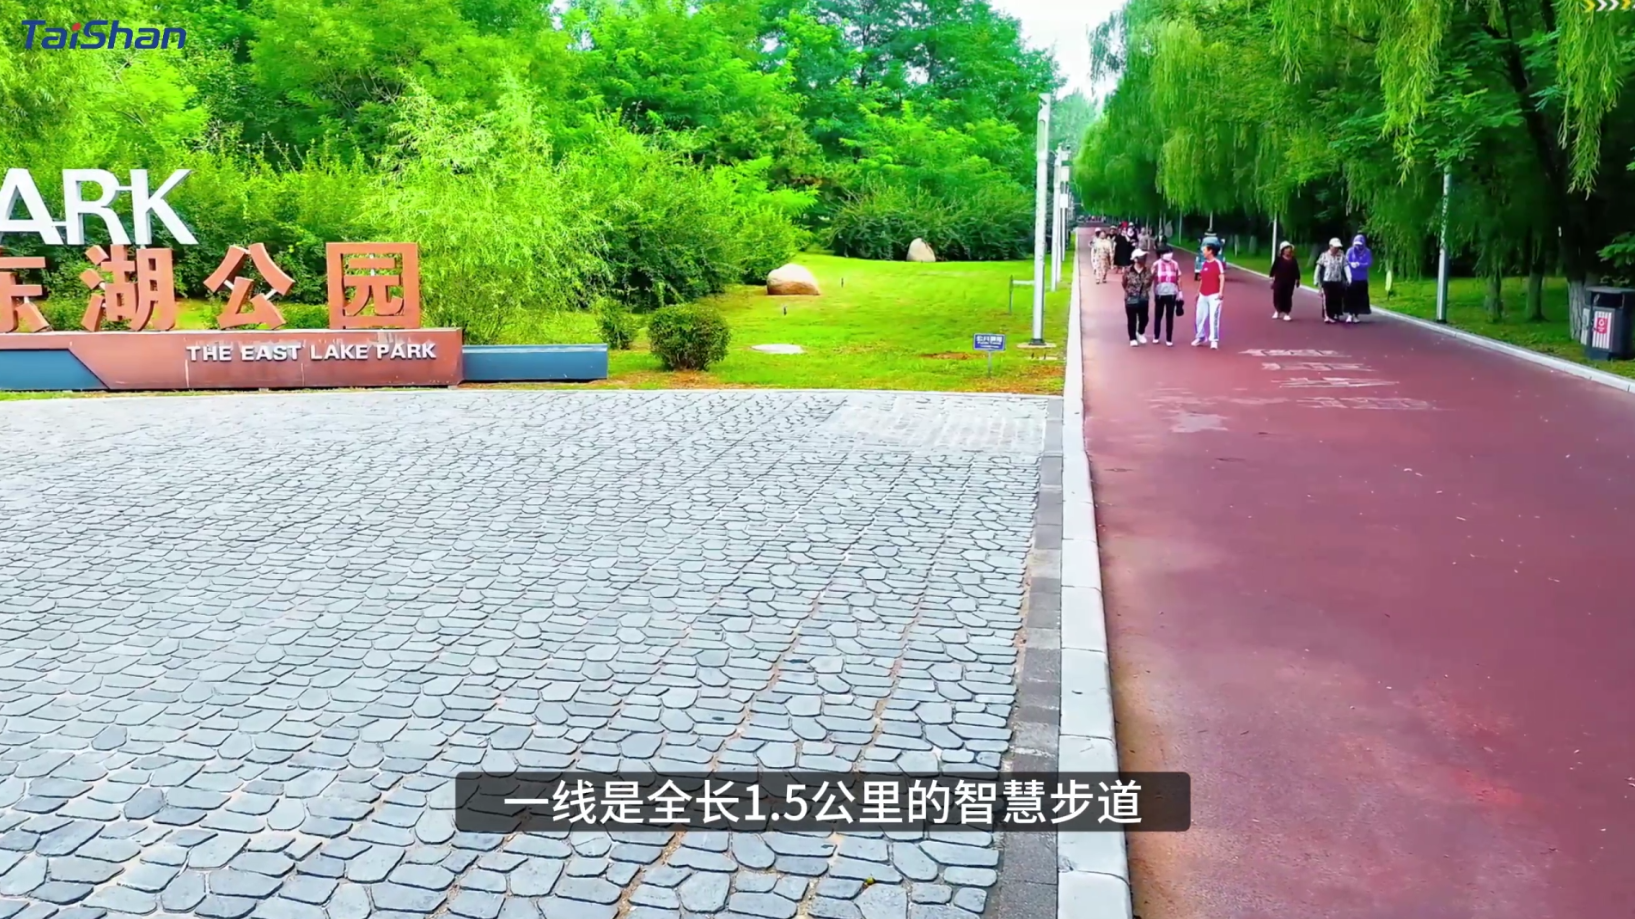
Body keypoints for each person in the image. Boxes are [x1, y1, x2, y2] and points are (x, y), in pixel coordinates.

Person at [1192, 241, 1225, 349]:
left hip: (1214, 295)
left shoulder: (1217, 263)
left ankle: (1214, 340)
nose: (1203, 252)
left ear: (1210, 251)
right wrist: (1198, 291)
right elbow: (1203, 278)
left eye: (1205, 250)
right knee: (1199, 317)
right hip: (1203, 294)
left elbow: (1222, 277)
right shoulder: (1205, 263)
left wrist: (1221, 292)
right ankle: (1200, 337)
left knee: (1213, 318)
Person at [1152, 246, 1182, 346]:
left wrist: (1180, 292)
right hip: (1159, 294)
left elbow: (1179, 278)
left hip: (1171, 293)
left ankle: (1169, 338)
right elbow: (1151, 278)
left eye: (1170, 253)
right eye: (1167, 253)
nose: (1169, 255)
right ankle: (1156, 336)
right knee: (1158, 316)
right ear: (1161, 254)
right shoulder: (1156, 264)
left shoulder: (1175, 264)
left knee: (1170, 316)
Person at [1123, 248, 1154, 345]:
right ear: (1135, 259)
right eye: (1142, 257)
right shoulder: (1128, 270)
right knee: (1132, 319)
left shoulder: (1147, 270)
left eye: (1144, 257)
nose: (1144, 259)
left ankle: (1140, 332)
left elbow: (1149, 282)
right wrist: (1130, 292)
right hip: (1131, 298)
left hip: (1143, 297)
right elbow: (1124, 283)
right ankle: (1132, 338)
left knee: (1144, 318)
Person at [1314, 238, 1348, 323]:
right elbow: (1318, 268)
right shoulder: (1324, 255)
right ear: (1330, 246)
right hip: (1327, 280)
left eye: (1338, 247)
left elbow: (1346, 267)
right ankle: (1327, 315)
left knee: (1337, 298)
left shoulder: (1342, 255)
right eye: (1335, 247)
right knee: (1327, 298)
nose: (1336, 249)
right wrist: (1316, 279)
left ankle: (1336, 314)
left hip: (1337, 280)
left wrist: (1349, 277)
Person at [1345, 234, 1373, 323]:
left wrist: (1359, 264)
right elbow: (1346, 261)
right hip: (1352, 278)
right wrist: (1351, 264)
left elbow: (1369, 263)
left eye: (1359, 245)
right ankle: (1350, 314)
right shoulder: (1350, 251)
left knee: (1359, 298)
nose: (1358, 247)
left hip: (1362, 278)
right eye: (1356, 244)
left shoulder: (1367, 252)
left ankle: (1356, 315)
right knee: (1350, 297)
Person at [1269, 241, 1300, 321]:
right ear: (1282, 250)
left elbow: (1296, 270)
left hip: (1290, 282)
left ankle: (1287, 313)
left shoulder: (1293, 260)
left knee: (1288, 297)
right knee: (1278, 296)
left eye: (1289, 248)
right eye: (1286, 248)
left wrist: (1297, 279)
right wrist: (1271, 278)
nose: (1288, 250)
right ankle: (1277, 311)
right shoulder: (1278, 259)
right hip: (1279, 281)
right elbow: (1273, 269)